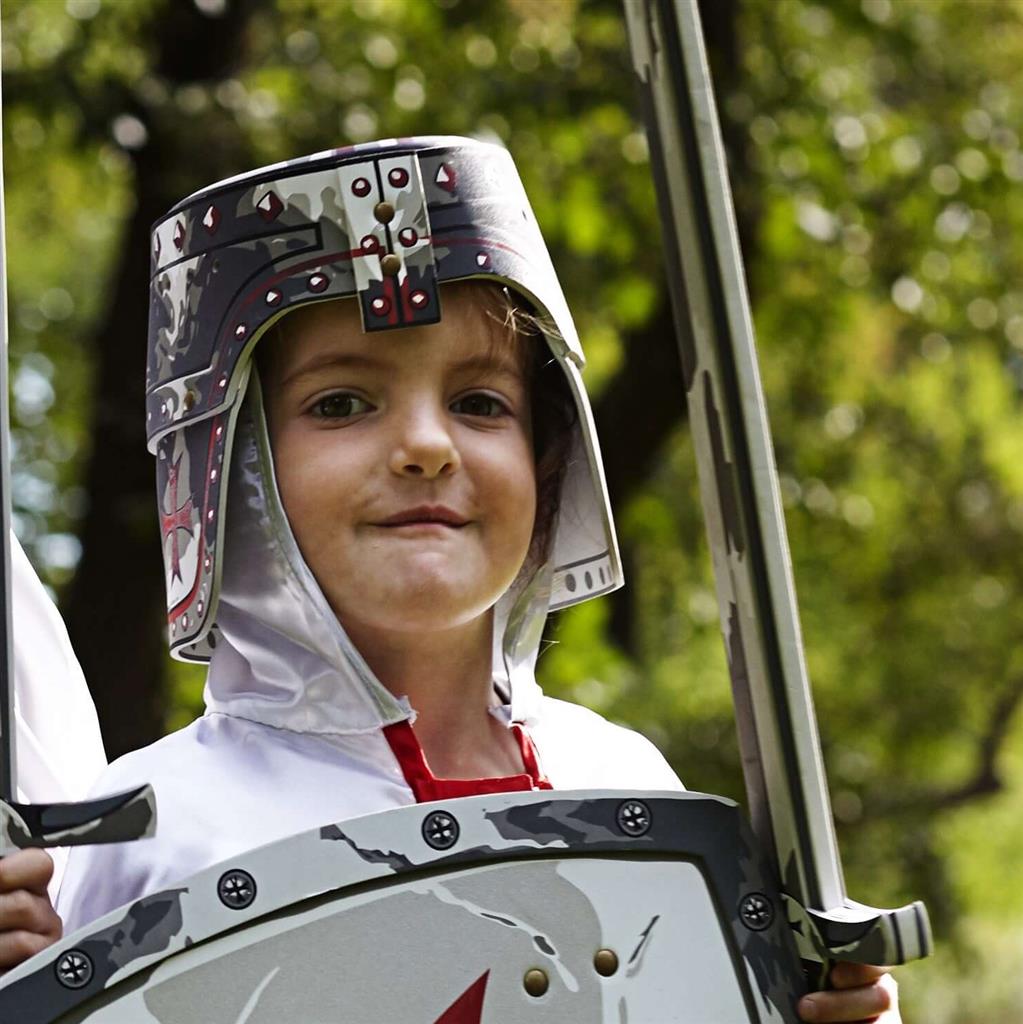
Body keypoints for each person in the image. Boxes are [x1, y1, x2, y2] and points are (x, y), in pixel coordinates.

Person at [8, 137, 898, 1019]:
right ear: (228, 470)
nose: (428, 445)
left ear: (547, 460)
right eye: (341, 404)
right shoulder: (140, 833)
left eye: (479, 403)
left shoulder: (630, 787)